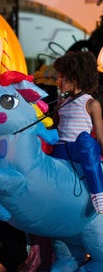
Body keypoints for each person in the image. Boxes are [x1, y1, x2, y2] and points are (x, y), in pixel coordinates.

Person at [51, 50, 103, 213]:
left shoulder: (91, 103)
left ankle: (98, 193)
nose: (58, 81)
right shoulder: (61, 103)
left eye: (61, 77)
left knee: (85, 141)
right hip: (61, 150)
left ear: (74, 78)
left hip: (80, 150)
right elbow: (54, 129)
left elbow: (100, 137)